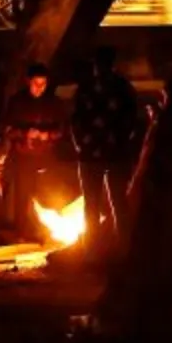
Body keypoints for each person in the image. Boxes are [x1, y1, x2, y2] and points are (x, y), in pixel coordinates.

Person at [68, 47, 144, 255]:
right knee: (112, 204)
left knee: (103, 204)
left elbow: (75, 120)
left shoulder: (90, 88)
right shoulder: (120, 87)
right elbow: (132, 121)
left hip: (103, 153)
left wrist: (81, 144)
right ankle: (118, 249)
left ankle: (99, 249)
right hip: (106, 153)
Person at [0, 62, 67, 235]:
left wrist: (47, 135)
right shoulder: (17, 102)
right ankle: (22, 230)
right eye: (36, 84)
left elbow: (62, 130)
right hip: (24, 156)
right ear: (28, 81)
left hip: (46, 157)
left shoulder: (54, 103)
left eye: (43, 84)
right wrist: (25, 133)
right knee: (23, 194)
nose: (40, 88)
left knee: (46, 193)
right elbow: (7, 130)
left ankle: (45, 230)